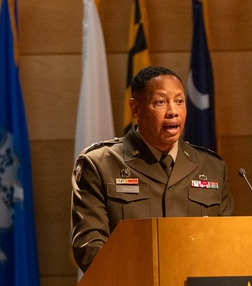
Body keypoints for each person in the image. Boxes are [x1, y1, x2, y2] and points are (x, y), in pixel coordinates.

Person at [71, 65, 235, 272]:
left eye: (179, 101)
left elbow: (229, 243)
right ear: (136, 108)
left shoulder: (212, 167)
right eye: (160, 102)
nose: (173, 112)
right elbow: (89, 247)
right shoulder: (100, 164)